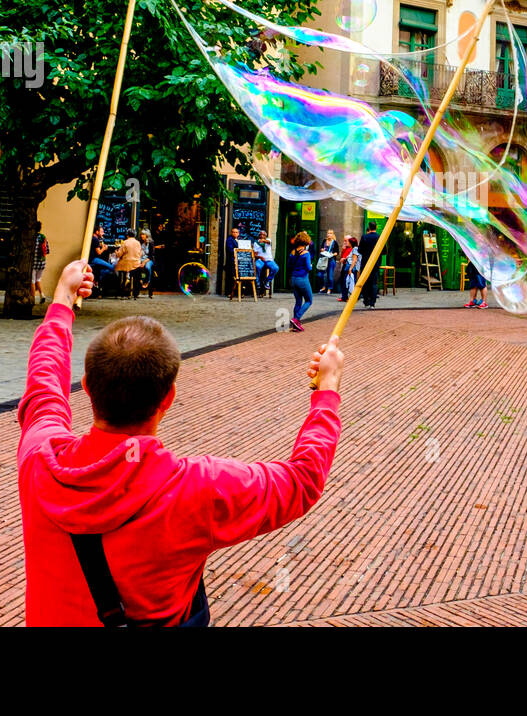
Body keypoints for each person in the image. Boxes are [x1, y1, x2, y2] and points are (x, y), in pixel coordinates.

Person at [17, 260, 343, 626]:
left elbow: (44, 381)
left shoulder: (40, 457)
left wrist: (62, 297)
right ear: (168, 398)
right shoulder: (198, 488)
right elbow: (302, 481)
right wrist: (327, 392)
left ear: (88, 386)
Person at [288, 232, 314, 332]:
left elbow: (289, 265)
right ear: (306, 241)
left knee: (298, 301)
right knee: (309, 300)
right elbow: (308, 267)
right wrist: (311, 266)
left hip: (293, 278)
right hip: (302, 278)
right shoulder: (306, 253)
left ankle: (295, 325)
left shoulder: (292, 252)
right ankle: (296, 318)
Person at [115, 231, 145, 299]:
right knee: (136, 278)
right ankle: (135, 294)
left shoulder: (125, 242)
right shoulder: (138, 243)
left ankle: (121, 293)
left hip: (126, 264)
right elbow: (140, 254)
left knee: (120, 274)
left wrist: (116, 252)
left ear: (127, 235)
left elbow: (119, 254)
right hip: (136, 264)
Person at [359, 221, 380, 309]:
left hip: (366, 262)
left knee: (365, 282)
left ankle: (366, 301)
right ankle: (372, 303)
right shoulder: (379, 237)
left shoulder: (364, 237)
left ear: (369, 227)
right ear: (376, 227)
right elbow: (384, 251)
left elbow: (360, 250)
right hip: (375, 263)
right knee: (374, 283)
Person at [89, 226, 115, 293]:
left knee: (101, 269)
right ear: (97, 232)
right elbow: (99, 252)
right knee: (112, 267)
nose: (103, 233)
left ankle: (97, 280)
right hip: (93, 259)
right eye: (101, 232)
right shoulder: (95, 239)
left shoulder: (92, 238)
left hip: (92, 258)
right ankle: (97, 281)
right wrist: (104, 248)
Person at [252, 230, 278, 296]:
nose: (262, 236)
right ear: (259, 235)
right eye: (260, 234)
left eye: (263, 235)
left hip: (269, 260)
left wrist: (263, 241)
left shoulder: (268, 240)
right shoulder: (256, 243)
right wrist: (260, 257)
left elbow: (268, 242)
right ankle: (257, 282)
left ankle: (267, 281)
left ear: (266, 236)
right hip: (260, 259)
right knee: (257, 266)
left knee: (275, 268)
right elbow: (255, 254)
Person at [32, 222, 50, 304]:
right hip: (42, 262)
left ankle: (32, 298)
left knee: (32, 281)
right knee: (38, 279)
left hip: (33, 262)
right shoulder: (43, 237)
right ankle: (42, 295)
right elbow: (48, 251)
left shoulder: (32, 237)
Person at [138, 228, 156, 299]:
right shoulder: (140, 242)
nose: (142, 236)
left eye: (143, 234)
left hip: (149, 259)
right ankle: (140, 282)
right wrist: (139, 261)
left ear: (147, 235)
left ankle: (147, 281)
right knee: (136, 268)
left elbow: (151, 255)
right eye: (141, 234)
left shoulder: (151, 242)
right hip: (141, 259)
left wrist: (144, 262)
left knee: (147, 267)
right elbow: (139, 253)